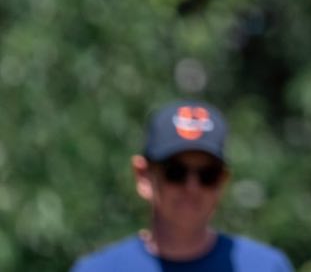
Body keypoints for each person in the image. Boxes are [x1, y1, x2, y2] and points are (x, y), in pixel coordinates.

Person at [72, 100, 293, 272]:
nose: (192, 187)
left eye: (207, 175)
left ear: (223, 181)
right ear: (144, 176)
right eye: (176, 172)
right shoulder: (98, 269)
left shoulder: (265, 267)